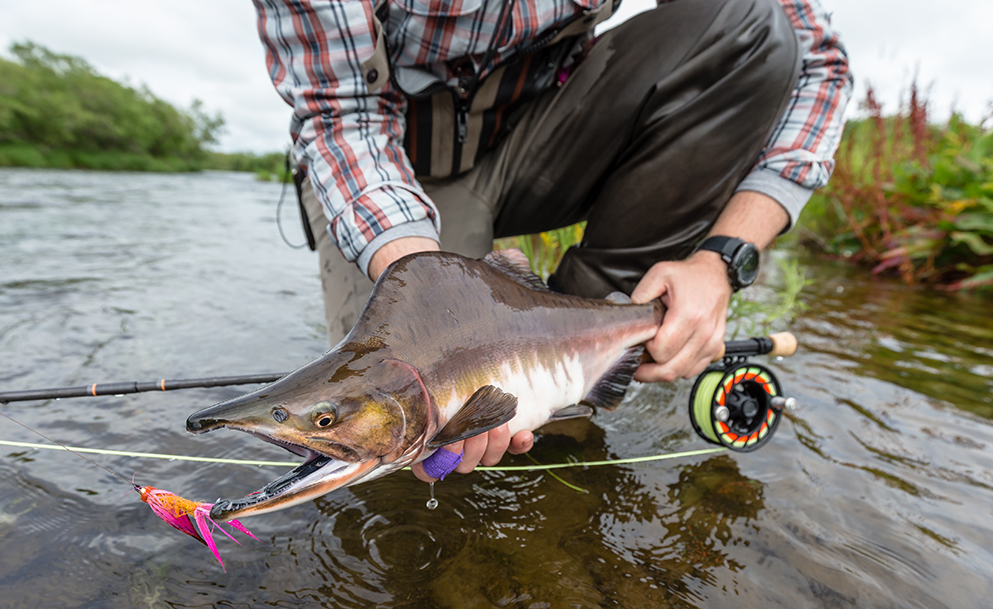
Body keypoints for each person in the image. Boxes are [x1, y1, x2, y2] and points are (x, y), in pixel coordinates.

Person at [252, 0, 851, 478]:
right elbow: (340, 113)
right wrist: (431, 296)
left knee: (749, 25)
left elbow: (813, 60)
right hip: (391, 164)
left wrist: (723, 257)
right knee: (396, 432)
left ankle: (590, 364)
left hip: (545, 137)